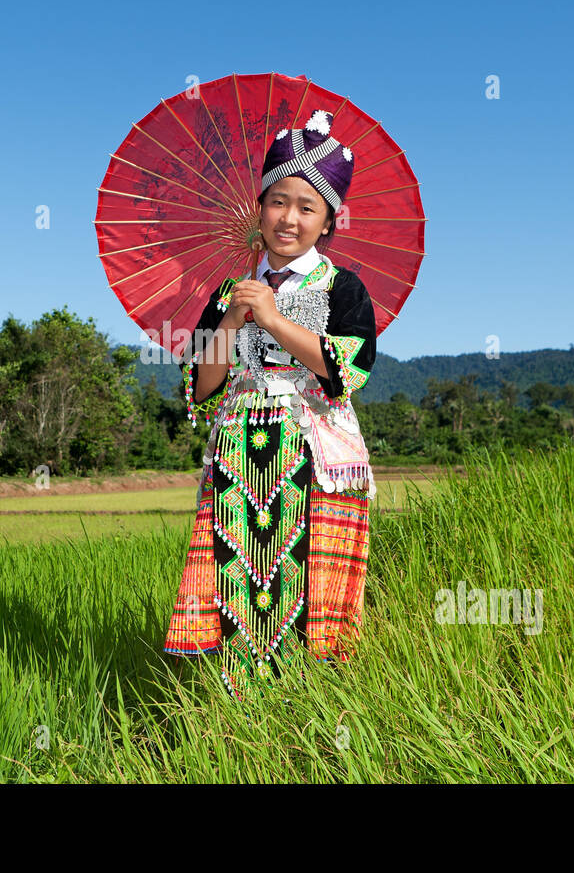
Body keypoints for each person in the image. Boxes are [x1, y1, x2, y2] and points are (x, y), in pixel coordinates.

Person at [163, 109, 378, 702]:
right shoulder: (231, 293)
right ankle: (239, 713)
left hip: (315, 453)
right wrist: (234, 315)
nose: (290, 218)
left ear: (329, 222)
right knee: (240, 587)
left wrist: (275, 320)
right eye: (279, 202)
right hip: (240, 452)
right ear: (258, 211)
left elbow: (347, 371)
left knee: (313, 590)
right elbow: (200, 388)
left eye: (307, 208)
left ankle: (316, 714)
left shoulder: (345, 289)